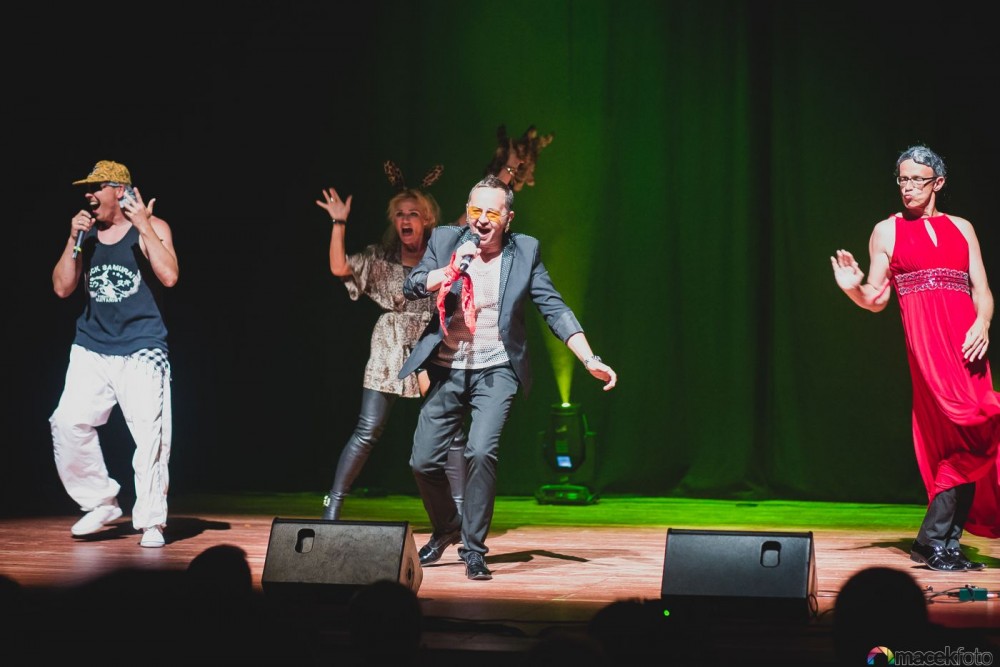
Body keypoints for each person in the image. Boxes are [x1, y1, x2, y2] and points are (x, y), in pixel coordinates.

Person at [399, 174, 617, 580]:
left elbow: (554, 308)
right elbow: (412, 285)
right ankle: (447, 526)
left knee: (481, 452)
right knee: (423, 461)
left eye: (491, 213)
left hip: (496, 369)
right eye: (474, 210)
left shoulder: (525, 252)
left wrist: (589, 358)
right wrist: (447, 271)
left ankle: (474, 549)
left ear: (508, 218)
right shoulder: (446, 241)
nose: (481, 220)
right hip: (447, 366)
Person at [317, 141, 534, 521]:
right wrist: (339, 223)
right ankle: (332, 504)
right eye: (400, 214)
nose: (406, 220)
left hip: (432, 340)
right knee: (367, 429)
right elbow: (339, 267)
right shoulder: (380, 257)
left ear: (427, 219)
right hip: (389, 343)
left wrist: (509, 171)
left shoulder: (444, 246)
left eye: (413, 214)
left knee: (452, 433)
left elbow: (478, 212)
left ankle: (461, 513)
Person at [831, 144, 1000, 571]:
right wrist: (853, 288)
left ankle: (946, 543)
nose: (907, 187)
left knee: (975, 435)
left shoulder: (962, 228)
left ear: (937, 183)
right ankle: (931, 542)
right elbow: (875, 298)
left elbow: (982, 291)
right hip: (930, 351)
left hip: (970, 350)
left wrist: (983, 323)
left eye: (916, 180)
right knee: (960, 431)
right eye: (902, 179)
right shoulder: (886, 231)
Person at [49, 160, 178, 548]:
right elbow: (62, 288)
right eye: (86, 189)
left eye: (96, 188)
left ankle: (151, 521)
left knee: (150, 436)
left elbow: (170, 276)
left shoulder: (153, 226)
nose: (88, 195)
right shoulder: (86, 234)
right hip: (92, 345)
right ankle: (99, 501)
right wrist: (72, 238)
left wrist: (143, 226)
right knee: (67, 422)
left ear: (120, 191)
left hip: (142, 346)